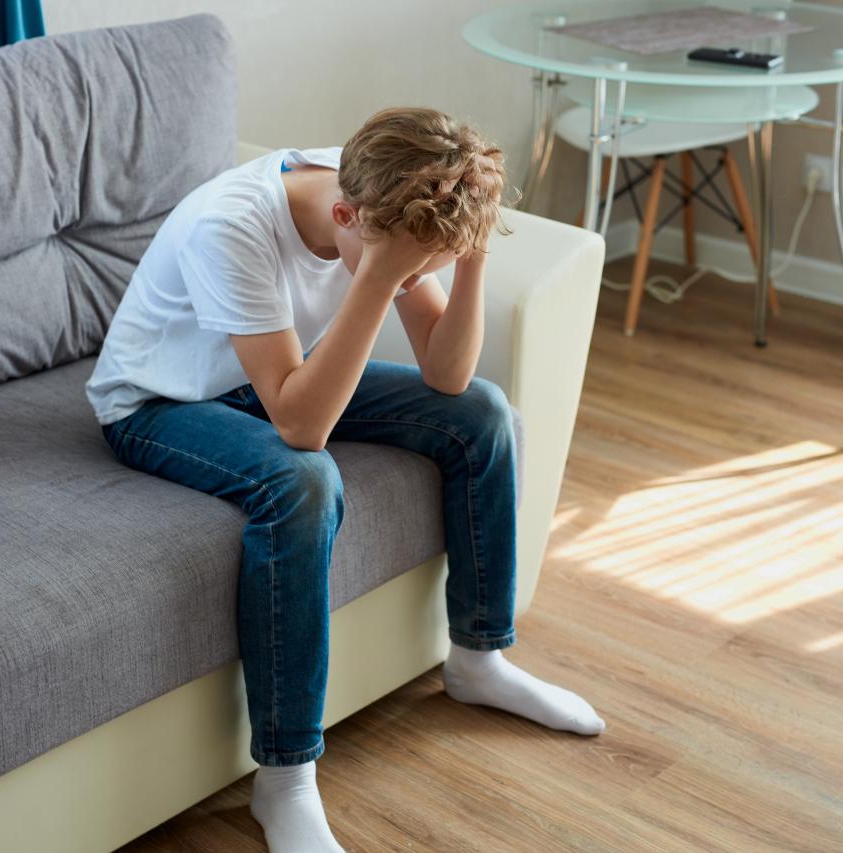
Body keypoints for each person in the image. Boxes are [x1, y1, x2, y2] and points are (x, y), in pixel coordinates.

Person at [86, 106, 606, 853]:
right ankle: (286, 779)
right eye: (406, 269)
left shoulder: (381, 191)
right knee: (304, 482)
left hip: (275, 378)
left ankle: (479, 658)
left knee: (483, 412)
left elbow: (448, 372)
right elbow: (300, 429)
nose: (412, 282)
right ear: (344, 214)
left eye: (424, 269)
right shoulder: (232, 226)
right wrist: (380, 278)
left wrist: (469, 259)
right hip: (161, 400)